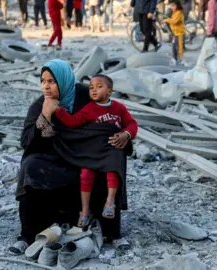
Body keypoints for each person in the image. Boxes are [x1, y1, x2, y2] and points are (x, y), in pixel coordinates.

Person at [10, 59, 131, 253]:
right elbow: (27, 142)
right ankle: (28, 234)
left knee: (113, 156)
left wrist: (124, 135)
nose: (46, 86)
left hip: (87, 156)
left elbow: (112, 116)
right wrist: (46, 116)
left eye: (52, 81)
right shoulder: (41, 105)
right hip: (55, 159)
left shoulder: (87, 95)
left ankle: (112, 233)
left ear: (64, 80)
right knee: (31, 165)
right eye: (43, 81)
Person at [53, 74, 138, 227]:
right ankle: (85, 211)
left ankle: (110, 202)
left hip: (112, 148)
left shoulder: (119, 108)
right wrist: (59, 111)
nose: (93, 90)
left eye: (99, 87)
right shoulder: (89, 109)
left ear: (109, 91)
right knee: (86, 174)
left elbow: (132, 123)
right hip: (93, 150)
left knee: (113, 169)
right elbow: (73, 122)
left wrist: (126, 134)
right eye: (91, 87)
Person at [163, 0, 186, 65]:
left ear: (177, 5)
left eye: (173, 6)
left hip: (179, 33)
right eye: (171, 6)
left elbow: (174, 21)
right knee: (173, 46)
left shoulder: (179, 12)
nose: (172, 7)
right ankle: (174, 59)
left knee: (179, 47)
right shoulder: (174, 12)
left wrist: (166, 20)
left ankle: (181, 60)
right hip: (175, 33)